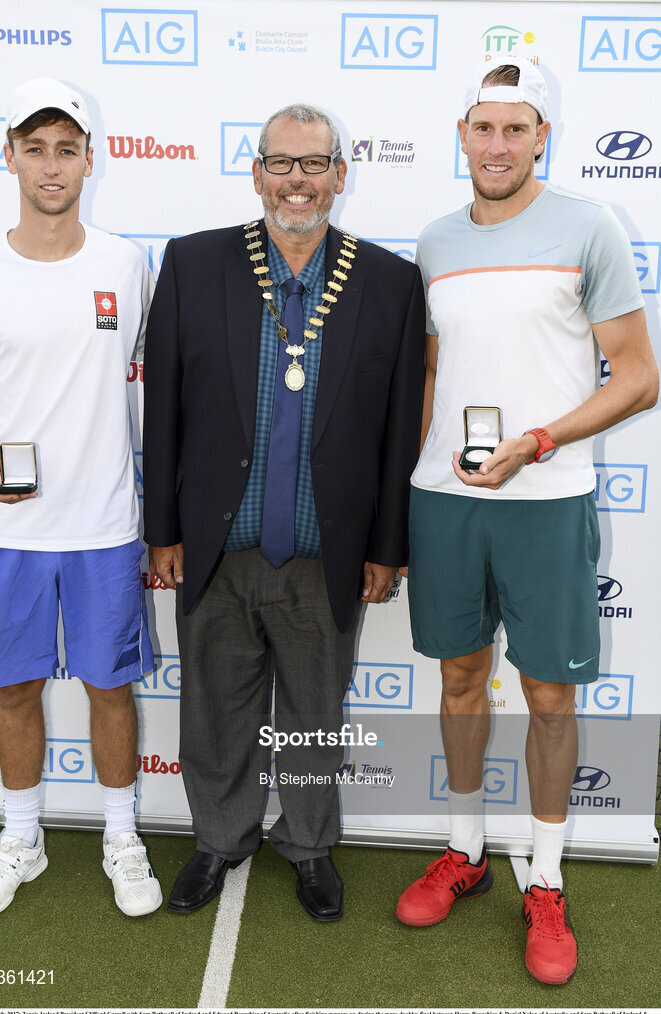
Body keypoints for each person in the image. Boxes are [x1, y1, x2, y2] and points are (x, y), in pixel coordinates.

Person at [396, 55, 658, 984]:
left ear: (541, 135)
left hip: (547, 500)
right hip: (445, 499)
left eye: (516, 128)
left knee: (548, 694)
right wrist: (408, 491)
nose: (497, 144)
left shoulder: (589, 226)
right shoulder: (431, 240)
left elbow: (637, 375)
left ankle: (543, 878)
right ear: (460, 134)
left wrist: (540, 440)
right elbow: (428, 378)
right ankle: (465, 853)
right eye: (482, 126)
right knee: (461, 676)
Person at [143, 103, 424, 921]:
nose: (296, 180)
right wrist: (163, 528)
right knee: (215, 706)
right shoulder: (194, 265)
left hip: (323, 548)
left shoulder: (389, 281)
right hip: (216, 544)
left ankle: (307, 846)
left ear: (340, 174)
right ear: (256, 171)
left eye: (313, 164)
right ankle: (218, 840)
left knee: (310, 713)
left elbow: (399, 425)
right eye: (280, 163)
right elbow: (164, 408)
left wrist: (386, 544)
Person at [0, 78, 162, 920]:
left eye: (67, 148)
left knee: (111, 688)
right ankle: (20, 838)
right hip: (11, 529)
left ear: (89, 160)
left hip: (105, 524)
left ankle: (120, 835)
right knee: (17, 689)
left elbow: (149, 380)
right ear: (9, 156)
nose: (51, 165)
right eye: (35, 148)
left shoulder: (123, 264)